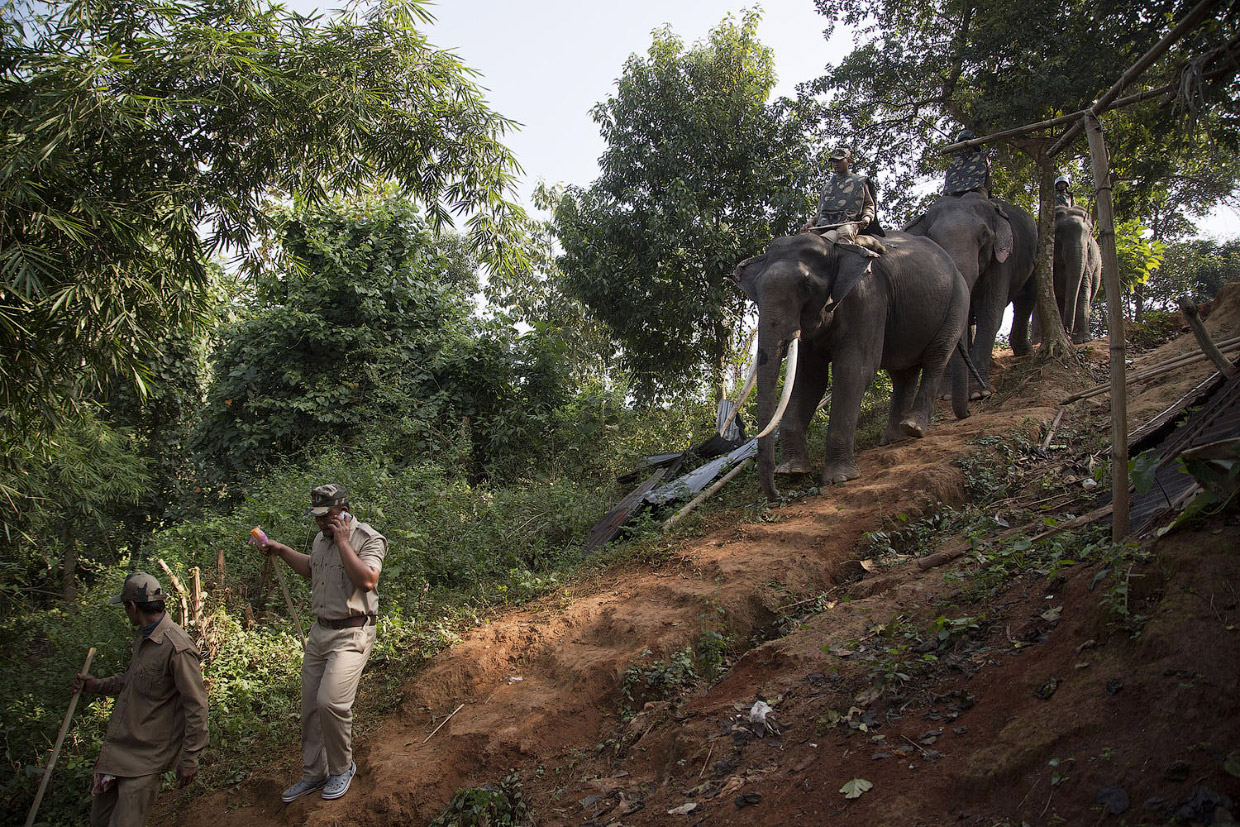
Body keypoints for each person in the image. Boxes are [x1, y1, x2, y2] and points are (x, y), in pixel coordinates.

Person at [259, 483, 387, 803]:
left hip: (353, 633)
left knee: (331, 702)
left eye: (326, 516)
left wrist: (343, 541)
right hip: (320, 634)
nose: (320, 523)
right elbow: (311, 569)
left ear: (343, 510)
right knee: (311, 707)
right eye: (316, 517)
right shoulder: (320, 539)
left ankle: (342, 768)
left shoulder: (368, 538)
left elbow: (367, 580)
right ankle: (314, 773)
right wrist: (282, 550)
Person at [75, 572, 208, 827]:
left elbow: (196, 705)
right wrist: (95, 685)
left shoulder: (176, 645)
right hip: (116, 757)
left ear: (132, 606)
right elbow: (132, 680)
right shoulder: (144, 637)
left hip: (145, 762)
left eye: (125, 608)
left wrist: (190, 758)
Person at [801, 147, 881, 242]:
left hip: (848, 222)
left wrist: (867, 217)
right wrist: (810, 222)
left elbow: (868, 204)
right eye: (834, 161)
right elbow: (820, 211)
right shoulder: (827, 186)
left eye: (839, 161)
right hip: (824, 224)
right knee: (806, 241)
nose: (836, 164)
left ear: (848, 161)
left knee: (844, 234)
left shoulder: (859, 182)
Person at [943, 129, 991, 198]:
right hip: (976, 191)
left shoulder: (954, 160)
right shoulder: (981, 157)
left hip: (953, 193)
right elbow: (989, 181)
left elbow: (948, 182)